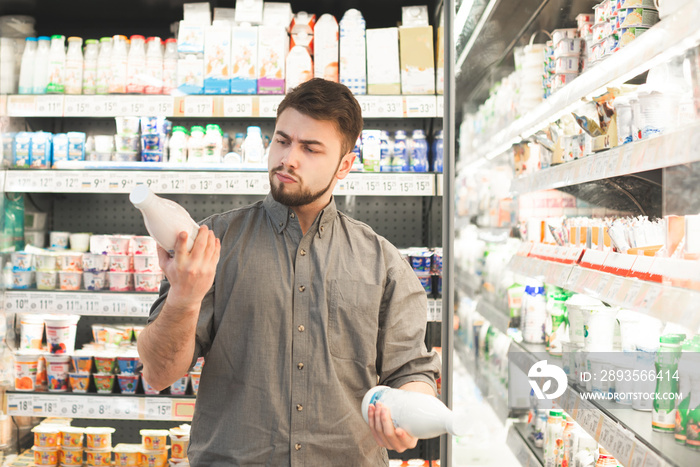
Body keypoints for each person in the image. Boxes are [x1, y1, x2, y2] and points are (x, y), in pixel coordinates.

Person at [138, 78, 441, 466]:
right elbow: (158, 374)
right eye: (282, 141)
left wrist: (409, 414)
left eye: (310, 148)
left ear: (345, 165)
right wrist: (183, 296)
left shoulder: (383, 262)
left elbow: (411, 371)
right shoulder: (213, 242)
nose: (288, 158)